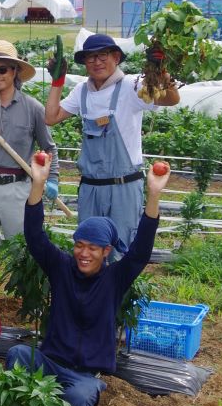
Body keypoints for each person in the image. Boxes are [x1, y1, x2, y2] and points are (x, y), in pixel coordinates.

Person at [6, 153, 170, 406]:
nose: (83, 253)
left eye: (92, 248)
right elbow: (35, 237)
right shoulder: (60, 267)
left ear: (106, 251)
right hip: (49, 362)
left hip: (82, 375)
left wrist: (153, 195)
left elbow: (140, 252)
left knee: (80, 399)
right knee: (17, 356)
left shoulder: (114, 278)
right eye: (79, 244)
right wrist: (37, 185)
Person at [44, 34, 179, 248]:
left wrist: (161, 70)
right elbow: (51, 118)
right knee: (89, 248)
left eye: (103, 55)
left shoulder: (131, 86)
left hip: (123, 186)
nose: (97, 62)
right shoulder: (81, 91)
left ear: (116, 57)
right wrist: (58, 81)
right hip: (91, 187)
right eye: (90, 57)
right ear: (85, 63)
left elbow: (171, 100)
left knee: (121, 248)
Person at [0, 40, 59, 295]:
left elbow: (49, 147)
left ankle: (26, 298)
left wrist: (54, 180)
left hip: (18, 187)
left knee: (22, 243)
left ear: (15, 71)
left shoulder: (32, 108)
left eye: (2, 69)